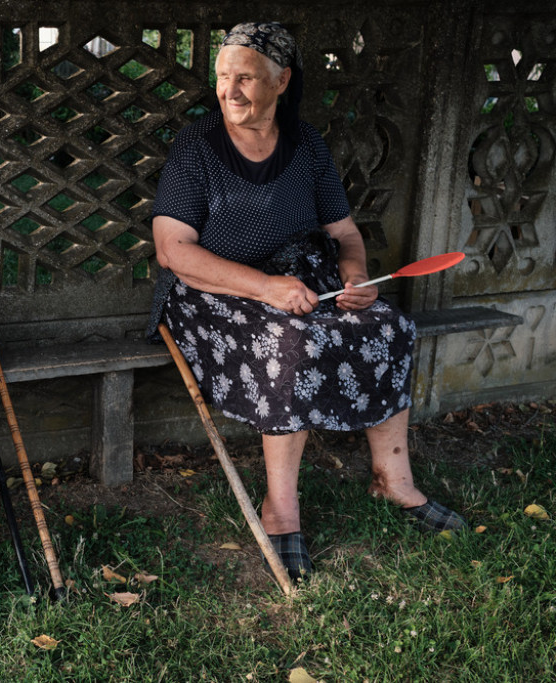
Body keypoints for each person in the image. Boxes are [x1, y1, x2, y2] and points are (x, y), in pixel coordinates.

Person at [150, 22, 466, 582]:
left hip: (307, 278)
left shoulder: (308, 145)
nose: (230, 90)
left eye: (246, 77)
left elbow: (343, 233)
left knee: (387, 326)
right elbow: (174, 251)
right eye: (223, 78)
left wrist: (355, 273)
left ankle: (395, 482)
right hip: (214, 292)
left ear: (282, 81)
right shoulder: (196, 146)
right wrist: (265, 287)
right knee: (289, 342)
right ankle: (282, 510)